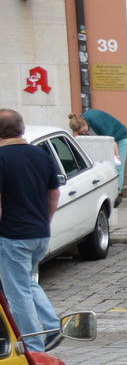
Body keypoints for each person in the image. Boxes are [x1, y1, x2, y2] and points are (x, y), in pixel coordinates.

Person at [0, 108, 61, 350]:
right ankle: (51, 326)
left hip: (12, 236)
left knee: (18, 294)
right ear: (22, 128)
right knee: (28, 282)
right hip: (39, 233)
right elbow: (54, 193)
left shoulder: (1, 158)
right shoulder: (41, 154)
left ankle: (33, 346)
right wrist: (45, 222)